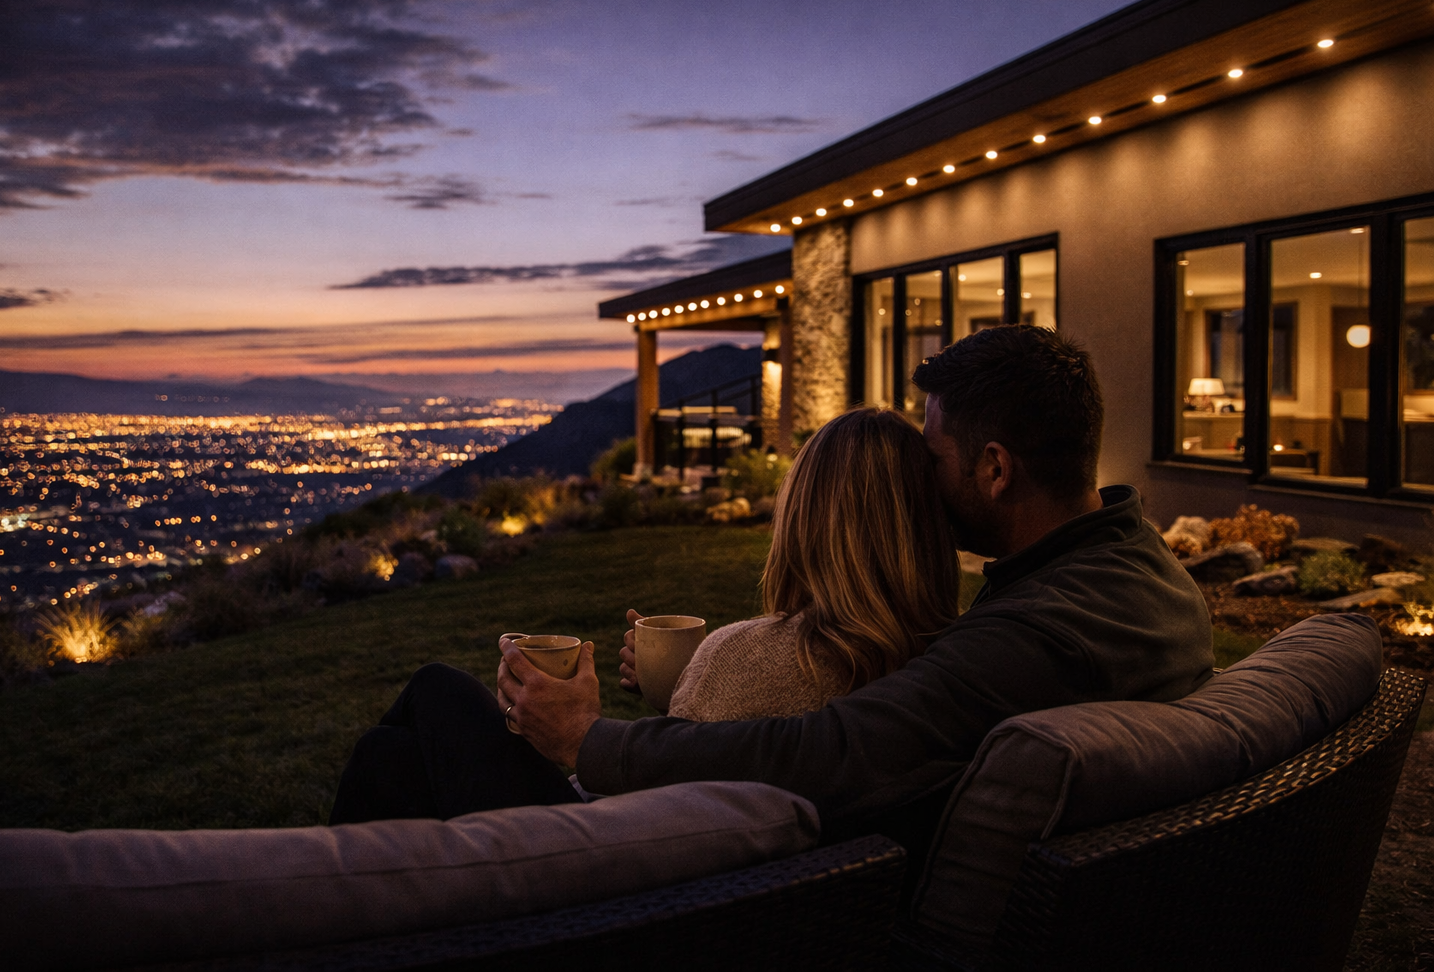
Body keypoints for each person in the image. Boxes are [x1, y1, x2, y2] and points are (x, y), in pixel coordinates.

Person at [497, 324, 1214, 861]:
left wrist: (587, 739)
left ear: (995, 469)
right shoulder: (1144, 575)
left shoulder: (1038, 637)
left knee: (435, 707)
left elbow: (828, 753)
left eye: (931, 460)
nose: (916, 486)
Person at [327, 406, 958, 823]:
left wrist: (581, 723)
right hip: (716, 875)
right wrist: (674, 700)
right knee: (390, 757)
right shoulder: (944, 663)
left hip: (599, 871)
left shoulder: (751, 654)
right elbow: (730, 751)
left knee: (437, 692)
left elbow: (649, 811)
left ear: (808, 518)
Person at [668, 407, 957, 721]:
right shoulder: (962, 665)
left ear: (802, 516)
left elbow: (681, 759)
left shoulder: (739, 661)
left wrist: (695, 683)